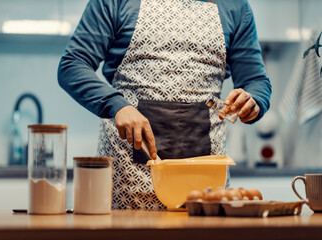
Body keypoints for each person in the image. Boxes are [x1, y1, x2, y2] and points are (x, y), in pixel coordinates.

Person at [58, 0, 272, 210]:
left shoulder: (235, 7)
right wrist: (117, 105)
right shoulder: (114, 2)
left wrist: (252, 100)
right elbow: (73, 65)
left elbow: (255, 80)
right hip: (129, 184)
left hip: (205, 189)